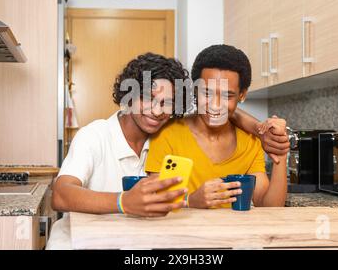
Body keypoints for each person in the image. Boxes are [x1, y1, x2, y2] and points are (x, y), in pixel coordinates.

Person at [47, 52, 288, 249]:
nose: (156, 110)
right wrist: (124, 202)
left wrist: (259, 129)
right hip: (75, 245)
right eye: (147, 98)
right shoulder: (95, 135)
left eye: (167, 102)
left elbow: (221, 109)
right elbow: (61, 195)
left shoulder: (161, 137)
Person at [145, 45, 288, 209]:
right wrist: (191, 201)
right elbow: (155, 198)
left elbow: (269, 207)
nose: (215, 105)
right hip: (181, 233)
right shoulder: (168, 133)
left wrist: (280, 152)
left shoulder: (250, 141)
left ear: (242, 95)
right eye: (207, 93)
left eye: (228, 95)